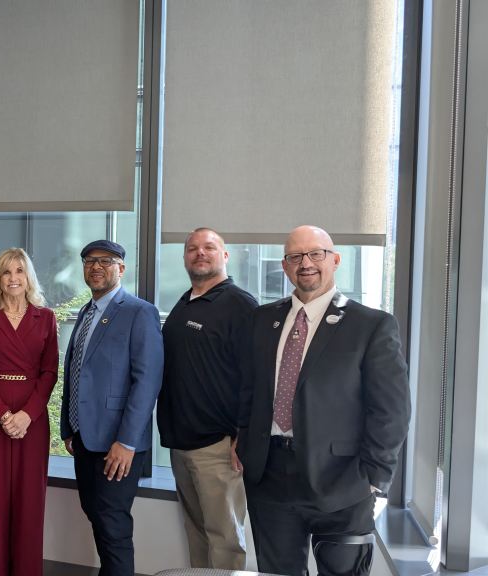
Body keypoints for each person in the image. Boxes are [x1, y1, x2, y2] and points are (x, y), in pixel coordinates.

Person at [237, 225, 410, 576]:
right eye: (295, 256)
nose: (306, 263)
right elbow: (248, 387)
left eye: (316, 254)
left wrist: (374, 477)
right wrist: (241, 438)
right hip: (268, 478)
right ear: (284, 266)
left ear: (335, 260)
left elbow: (391, 410)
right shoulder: (261, 319)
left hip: (344, 483)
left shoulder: (371, 325)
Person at [60, 240, 163, 576]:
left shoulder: (139, 311)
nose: (96, 267)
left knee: (113, 525)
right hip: (85, 439)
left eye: (106, 261)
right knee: (97, 515)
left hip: (118, 444)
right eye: (90, 261)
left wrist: (128, 441)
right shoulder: (87, 312)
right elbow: (77, 370)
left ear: (122, 268)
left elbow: (146, 382)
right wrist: (68, 428)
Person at [157, 228, 257, 569]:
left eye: (209, 247)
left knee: (225, 541)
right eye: (192, 248)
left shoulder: (240, 305)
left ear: (225, 255)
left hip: (217, 446)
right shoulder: (184, 303)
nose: (200, 253)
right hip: (181, 443)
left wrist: (242, 435)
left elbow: (255, 377)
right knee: (197, 535)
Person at [0, 247, 58, 576]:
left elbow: (50, 373)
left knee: (30, 501)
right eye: (7, 272)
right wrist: (5, 415)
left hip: (32, 418)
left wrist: (26, 415)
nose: (14, 278)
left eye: (20, 271)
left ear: (28, 276)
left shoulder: (45, 317)